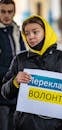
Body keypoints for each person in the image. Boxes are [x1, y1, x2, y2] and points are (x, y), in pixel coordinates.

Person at [1, 15, 62, 130]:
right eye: (27, 33)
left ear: (46, 32)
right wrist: (14, 81)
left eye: (35, 32)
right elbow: (5, 92)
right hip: (27, 126)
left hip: (60, 126)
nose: (30, 36)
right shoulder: (19, 60)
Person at [0, 0, 26, 130]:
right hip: (2, 94)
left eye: (10, 12)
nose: (6, 15)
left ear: (14, 12)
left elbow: (23, 56)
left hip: (17, 92)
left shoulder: (16, 31)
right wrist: (14, 75)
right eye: (3, 11)